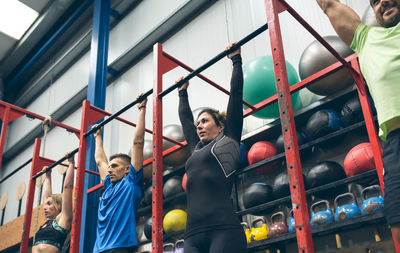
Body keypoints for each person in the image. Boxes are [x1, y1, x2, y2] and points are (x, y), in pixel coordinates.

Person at [316, 0, 400, 243]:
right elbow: (329, 4)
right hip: (396, 142)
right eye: (374, 1)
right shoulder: (366, 39)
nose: (381, 2)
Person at [176, 42, 247, 253]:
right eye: (199, 123)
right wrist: (182, 93)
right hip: (192, 235)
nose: (199, 125)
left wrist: (236, 60)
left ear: (221, 125)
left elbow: (235, 94)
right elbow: (186, 120)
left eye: (205, 121)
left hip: (224, 230)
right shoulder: (195, 148)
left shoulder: (228, 140)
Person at [92, 94, 147, 253]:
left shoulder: (131, 181)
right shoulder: (109, 185)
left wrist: (141, 108)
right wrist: (97, 136)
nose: (110, 169)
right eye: (110, 167)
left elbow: (138, 143)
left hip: (120, 247)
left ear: (127, 169)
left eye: (115, 166)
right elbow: (100, 161)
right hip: (98, 249)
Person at [32, 152, 75, 253]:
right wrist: (48, 176)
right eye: (45, 204)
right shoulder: (46, 223)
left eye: (49, 204)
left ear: (58, 205)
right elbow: (47, 197)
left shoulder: (62, 219)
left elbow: (67, 188)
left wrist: (71, 163)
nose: (45, 207)